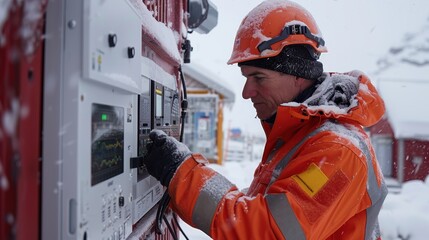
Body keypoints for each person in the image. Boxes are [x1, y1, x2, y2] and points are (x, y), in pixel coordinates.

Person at [143, 0, 388, 239]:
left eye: (259, 77)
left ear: (297, 76)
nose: (246, 92)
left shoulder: (338, 152)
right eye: (246, 77)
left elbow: (264, 231)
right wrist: (180, 182)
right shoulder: (301, 138)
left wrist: (183, 174)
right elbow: (254, 209)